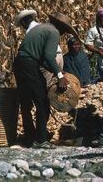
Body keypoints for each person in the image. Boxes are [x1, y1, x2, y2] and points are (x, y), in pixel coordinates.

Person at [13, 12, 78, 149]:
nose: (63, 34)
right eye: (64, 31)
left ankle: (29, 138)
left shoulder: (41, 28)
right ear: (61, 27)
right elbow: (49, 56)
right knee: (42, 102)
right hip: (29, 65)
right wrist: (60, 76)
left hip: (20, 64)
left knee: (26, 102)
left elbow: (42, 58)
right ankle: (40, 140)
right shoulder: (53, 32)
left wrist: (58, 71)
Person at [14, 9, 64, 87]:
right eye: (65, 29)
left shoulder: (35, 29)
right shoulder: (47, 28)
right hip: (53, 58)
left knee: (38, 89)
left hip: (46, 60)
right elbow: (47, 55)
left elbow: (45, 56)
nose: (64, 33)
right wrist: (58, 73)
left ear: (23, 22)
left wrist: (58, 73)